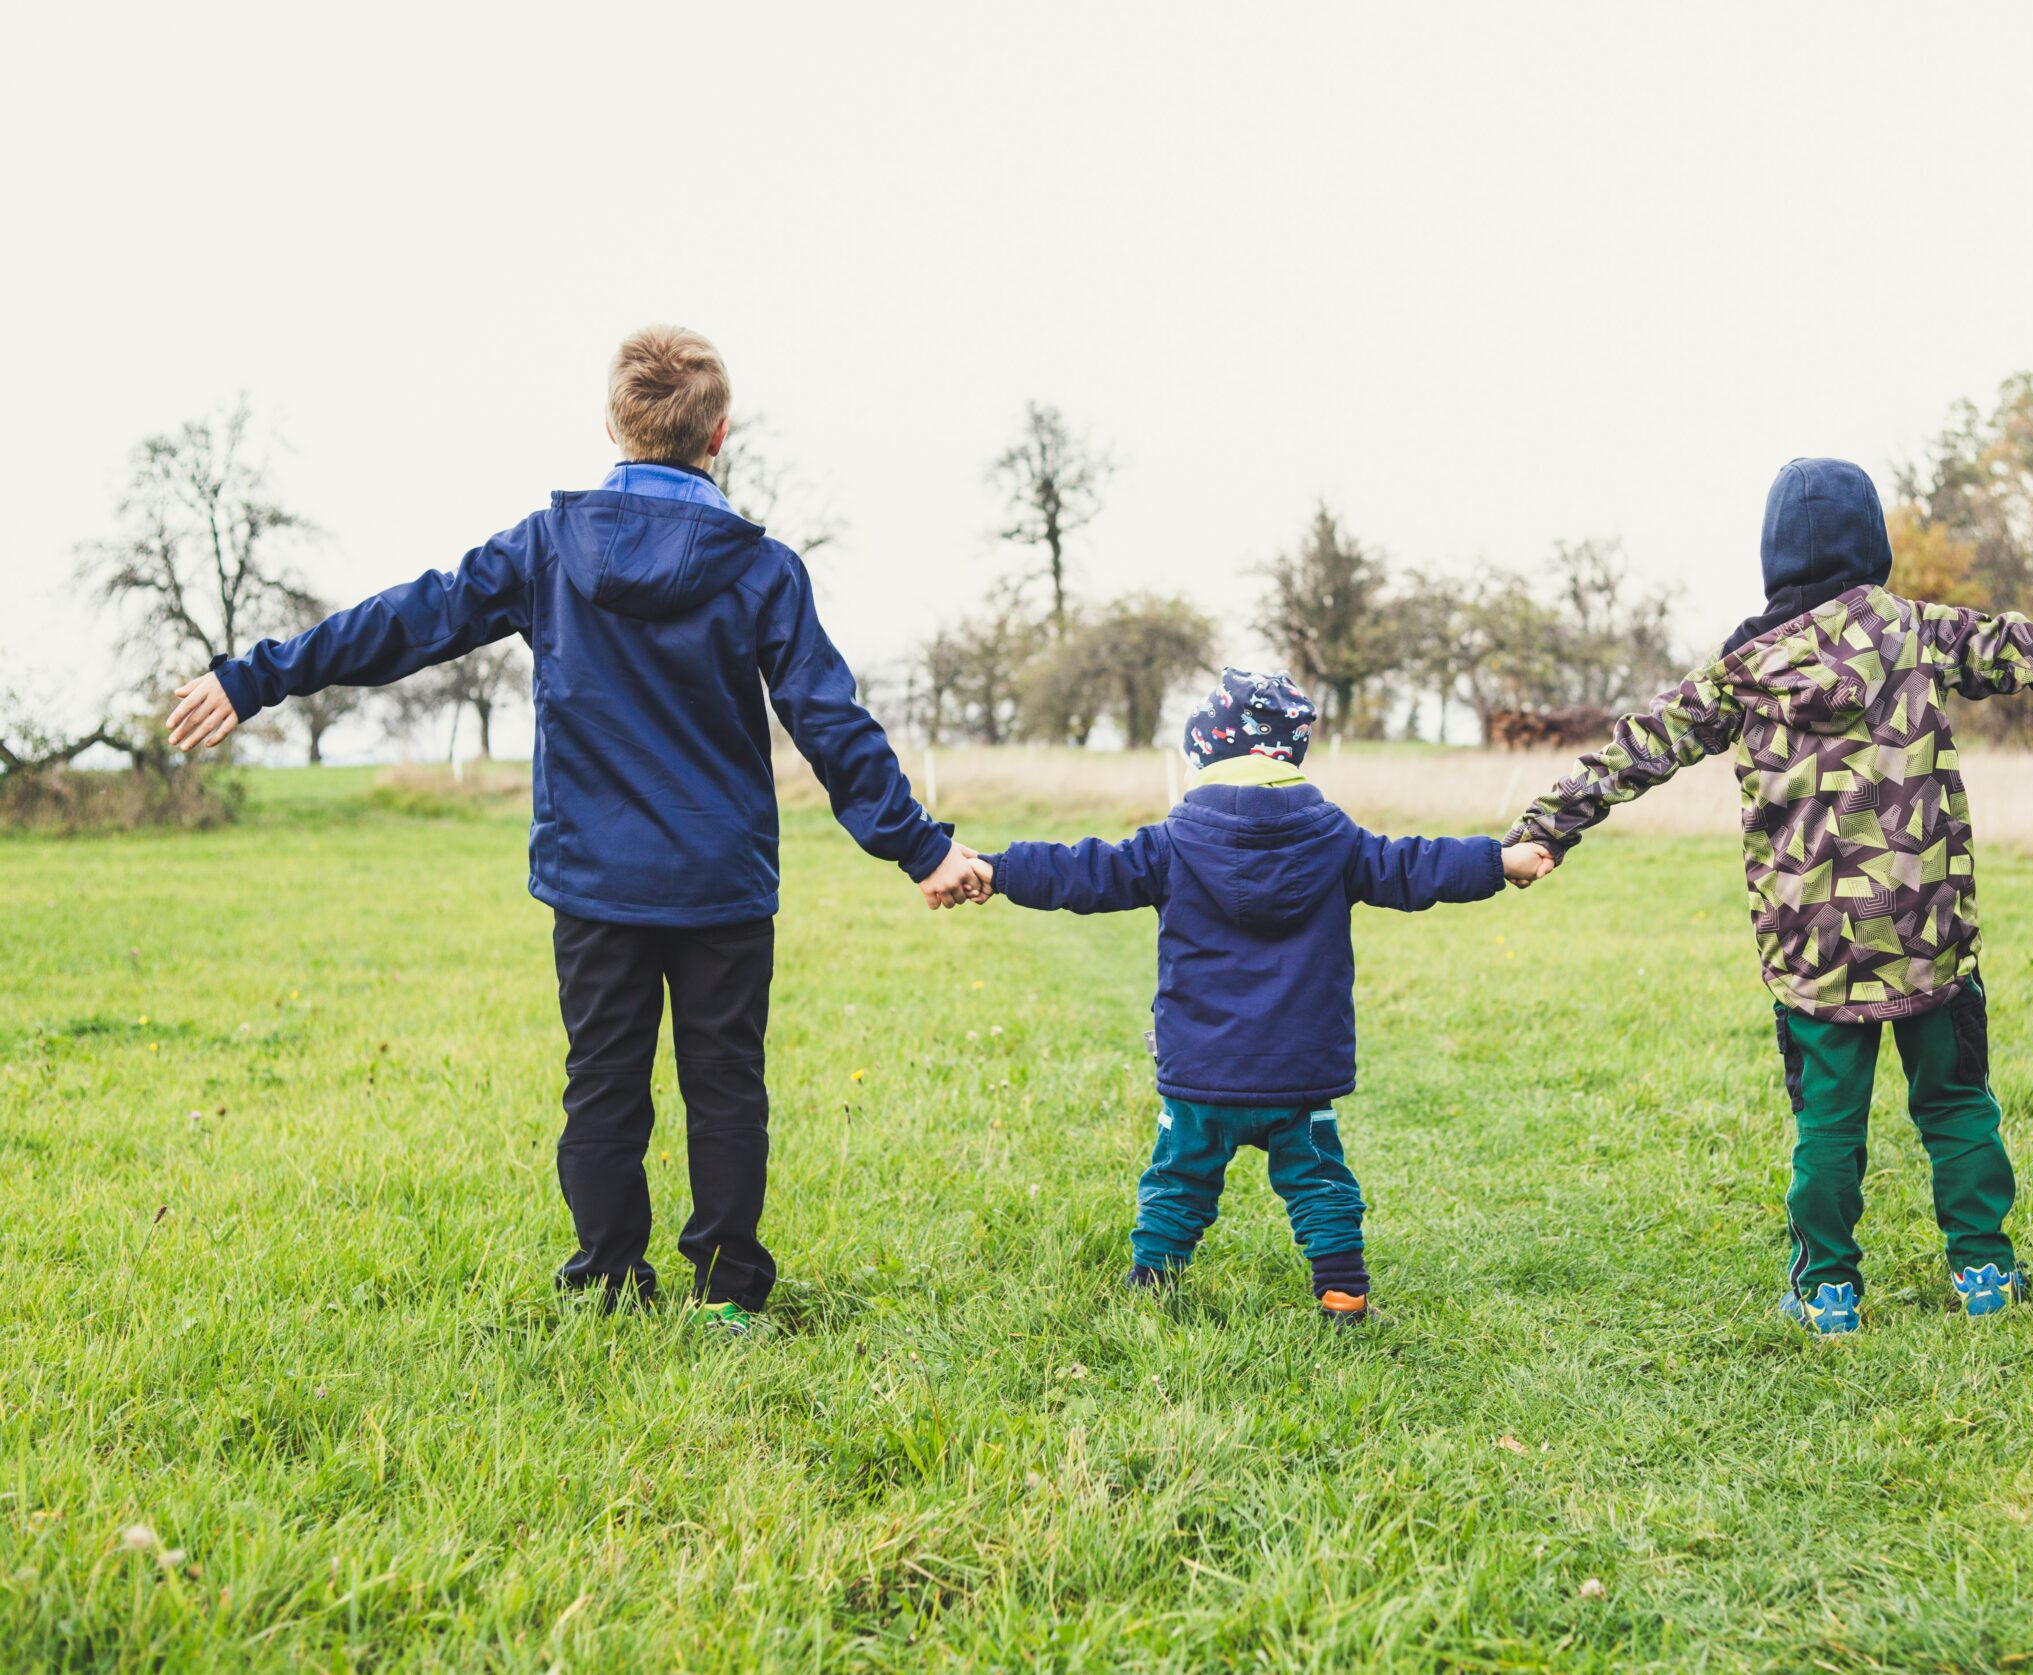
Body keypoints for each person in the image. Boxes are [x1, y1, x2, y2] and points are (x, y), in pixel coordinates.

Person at [163, 325, 990, 1331]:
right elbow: (829, 721)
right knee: (724, 1085)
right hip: (721, 881)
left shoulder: (550, 549)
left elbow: (406, 621)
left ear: (612, 423)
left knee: (602, 1087)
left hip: (595, 881)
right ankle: (727, 1296)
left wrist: (255, 678)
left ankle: (605, 1282)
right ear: (719, 433)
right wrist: (922, 847)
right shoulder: (763, 569)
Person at [1506, 457, 2033, 1335]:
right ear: (1874, 543)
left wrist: (1546, 828)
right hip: (1927, 931)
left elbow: (1638, 746)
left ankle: (1827, 1290)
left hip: (1815, 950)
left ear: (1775, 556)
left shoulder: (1742, 670)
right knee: (1955, 1102)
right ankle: (1983, 1270)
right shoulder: (1915, 632)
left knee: (1827, 1124)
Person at [967, 668, 1552, 1322]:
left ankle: (1151, 1285)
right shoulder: (1336, 839)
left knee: (1178, 1178)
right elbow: (1415, 865)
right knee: (1319, 1182)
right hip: (1297, 1071)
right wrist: (1499, 861)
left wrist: (998, 868)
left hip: (1201, 1071)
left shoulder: (1172, 842)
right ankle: (1342, 1292)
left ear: (1206, 753)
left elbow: (1082, 871)